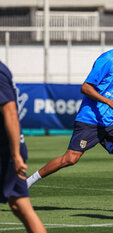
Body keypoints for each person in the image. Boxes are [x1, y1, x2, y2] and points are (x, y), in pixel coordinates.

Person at [26, 25, 113, 214]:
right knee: (70, 159)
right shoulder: (106, 60)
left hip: (110, 120)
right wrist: (109, 102)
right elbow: (85, 87)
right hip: (90, 119)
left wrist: (110, 106)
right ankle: (26, 184)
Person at [0, 61, 47, 233]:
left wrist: (16, 155)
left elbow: (10, 112)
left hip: (6, 153)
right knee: (18, 206)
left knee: (21, 206)